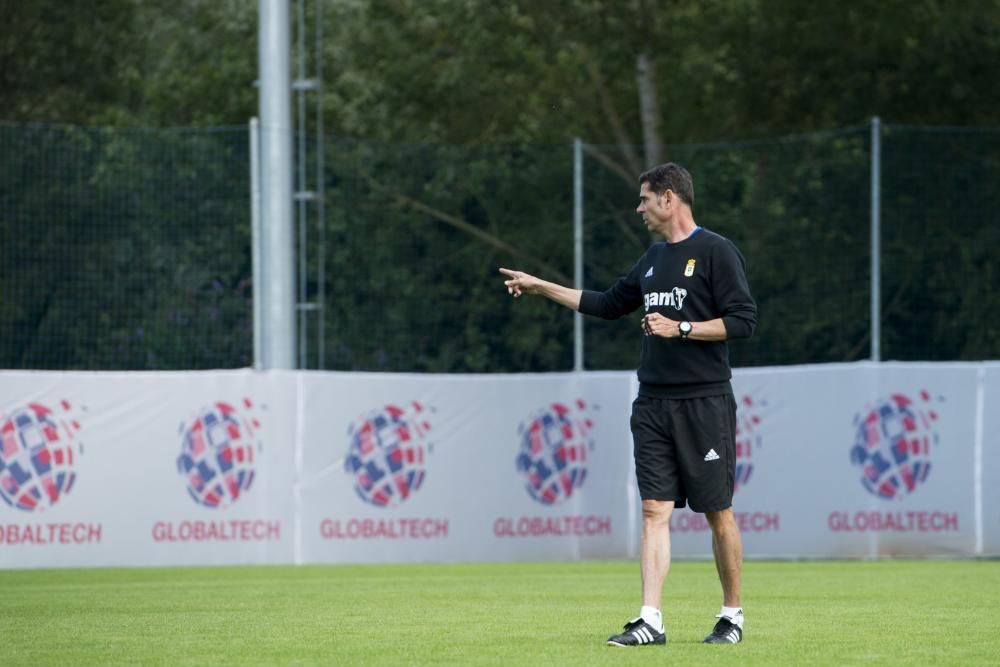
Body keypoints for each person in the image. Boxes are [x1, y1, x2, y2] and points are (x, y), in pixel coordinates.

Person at [499, 162, 757, 646]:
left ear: (669, 198)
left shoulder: (717, 252)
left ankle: (732, 616)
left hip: (704, 403)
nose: (638, 208)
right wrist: (541, 286)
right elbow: (606, 304)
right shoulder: (652, 259)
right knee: (654, 511)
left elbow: (743, 322)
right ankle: (650, 620)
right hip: (653, 404)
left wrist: (680, 328)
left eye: (644, 199)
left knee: (717, 511)